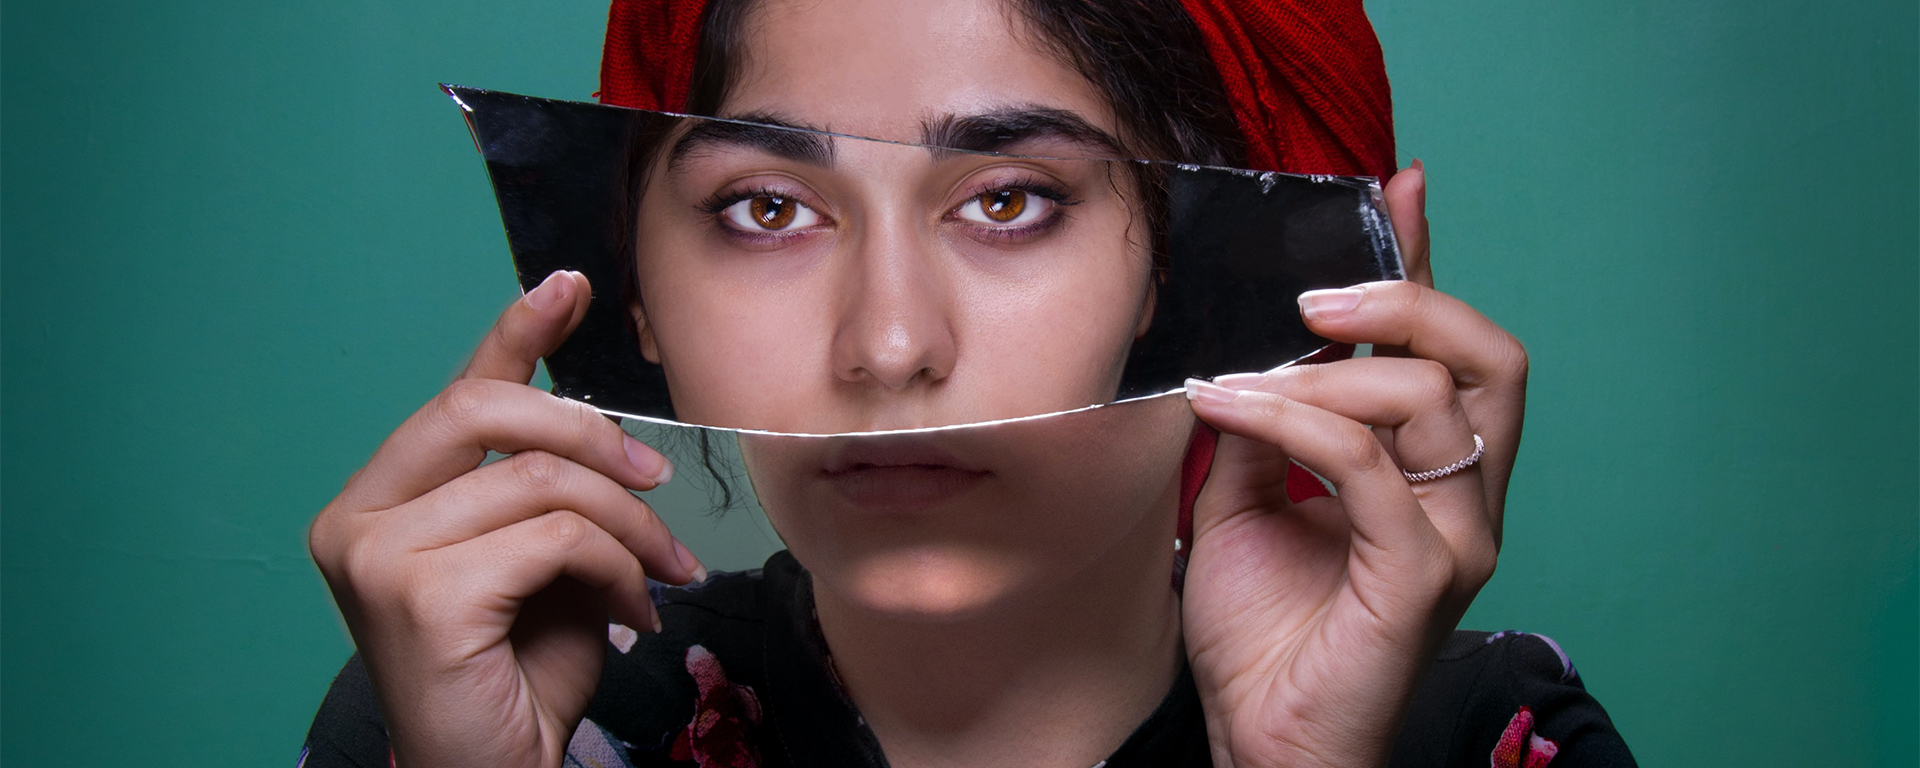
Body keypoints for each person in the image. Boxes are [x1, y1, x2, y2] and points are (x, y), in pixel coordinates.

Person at [301, 0, 1636, 766]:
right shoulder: (478, 715)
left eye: (1010, 200)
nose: (887, 347)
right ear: (641, 290)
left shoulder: (1481, 742)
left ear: (1208, 275)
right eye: (767, 209)